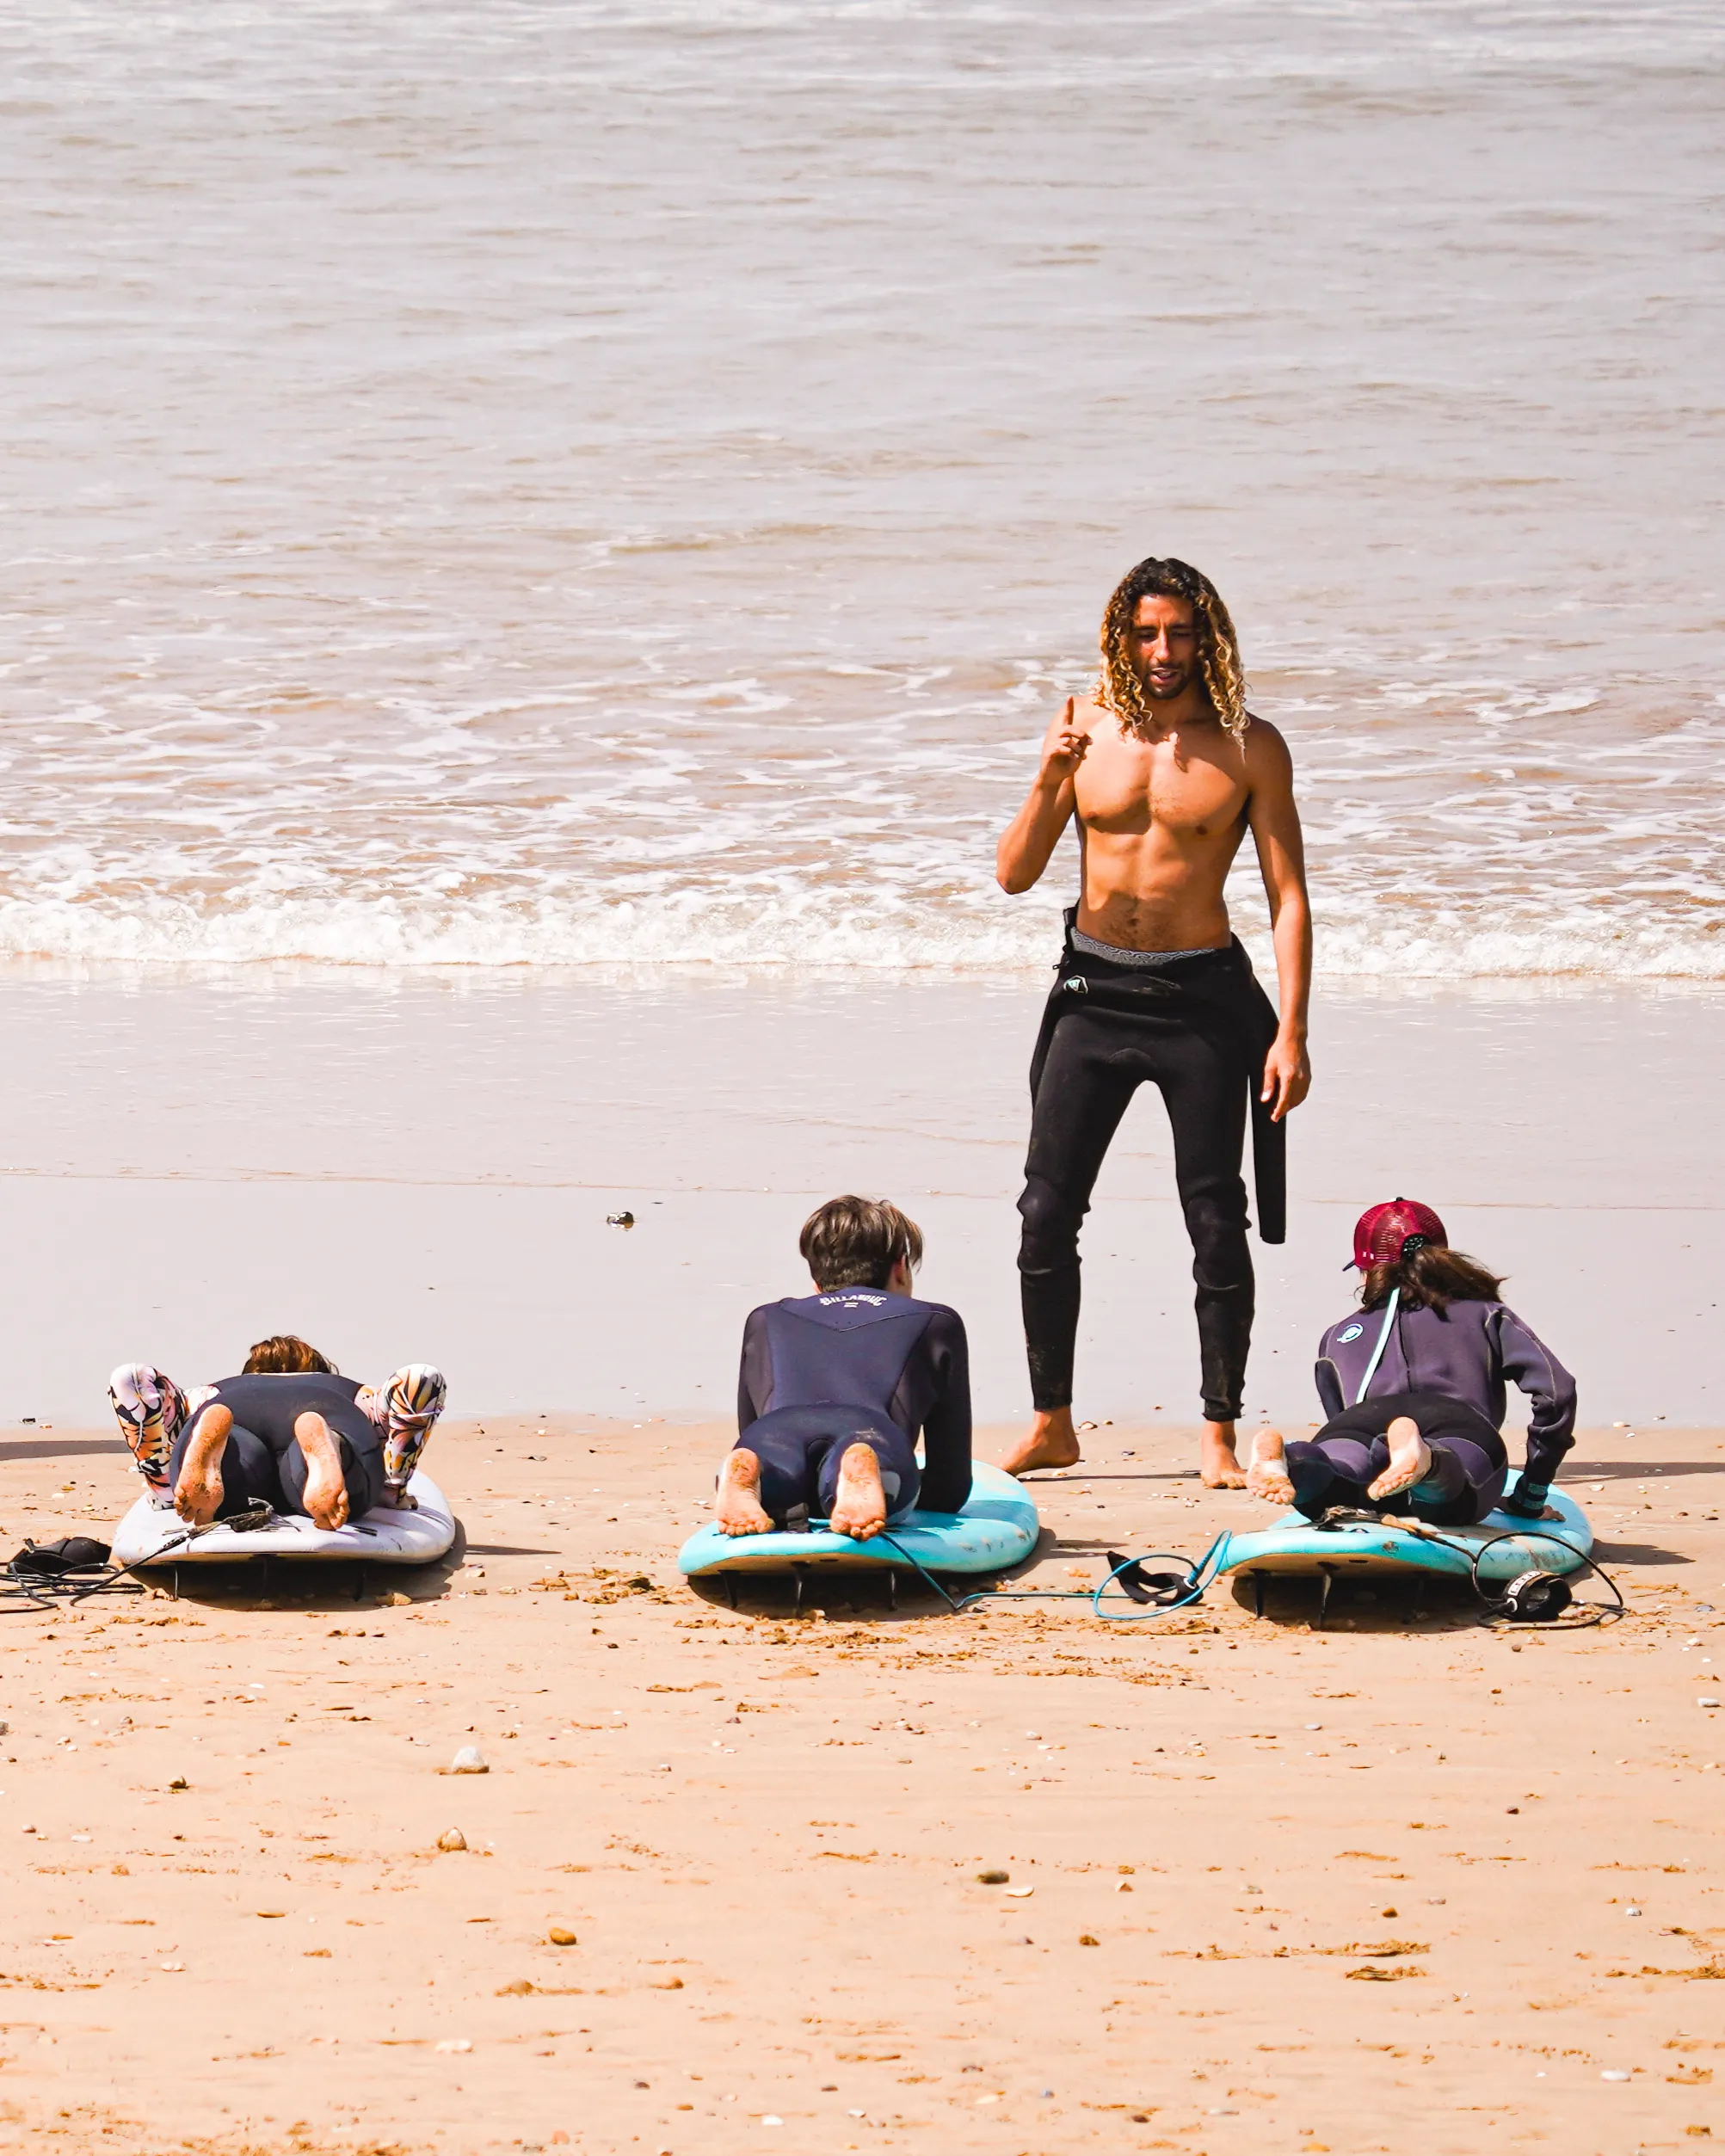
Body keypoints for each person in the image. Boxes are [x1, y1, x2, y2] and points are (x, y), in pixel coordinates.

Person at [995, 555, 1312, 1488]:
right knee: (1044, 1212)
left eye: (1179, 632)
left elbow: (1288, 900)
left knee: (1216, 1219)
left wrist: (1290, 1030)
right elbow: (1014, 874)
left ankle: (1216, 1432)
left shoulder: (1251, 747)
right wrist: (1046, 775)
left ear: (1206, 635)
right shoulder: (1082, 727)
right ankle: (1052, 1421)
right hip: (1092, 993)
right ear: (1119, 636)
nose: (1162, 650)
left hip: (1202, 1004)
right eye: (1145, 632)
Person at [1245, 1198, 1577, 1527]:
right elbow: (1557, 1392)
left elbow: (1341, 1415)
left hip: (1359, 1424)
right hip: (1455, 1423)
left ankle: (1295, 1461)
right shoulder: (1487, 1314)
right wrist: (1531, 1494)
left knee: (1338, 1479)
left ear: (1367, 1269)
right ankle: (1428, 1462)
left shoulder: (1336, 1336)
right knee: (1452, 1492)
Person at [717, 1197, 972, 1542]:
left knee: (770, 1465)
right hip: (870, 1433)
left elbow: (751, 1423)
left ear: (816, 1280)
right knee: (879, 1469)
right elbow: (950, 1484)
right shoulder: (935, 1321)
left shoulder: (766, 1318)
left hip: (775, 1433)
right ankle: (863, 1468)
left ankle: (757, 1472)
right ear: (900, 1267)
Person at [108, 1335, 447, 1530]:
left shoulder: (210, 1393)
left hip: (234, 1408)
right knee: (341, 1456)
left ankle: (180, 1479)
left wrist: (160, 1480)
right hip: (330, 1408)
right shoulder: (357, 1394)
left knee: (232, 1462)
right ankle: (330, 1445)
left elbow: (133, 1379)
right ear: (319, 1370)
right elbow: (421, 1380)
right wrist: (395, 1484)